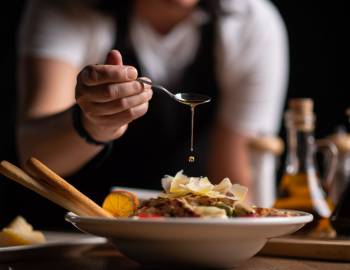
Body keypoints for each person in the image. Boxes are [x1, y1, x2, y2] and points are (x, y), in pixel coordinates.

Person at [15, 0, 288, 227]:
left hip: (191, 241)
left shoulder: (250, 21)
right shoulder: (69, 7)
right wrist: (93, 123)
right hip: (72, 234)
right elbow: (37, 156)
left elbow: (235, 178)